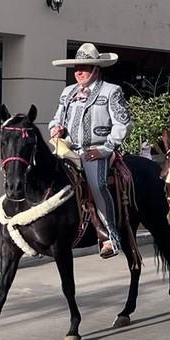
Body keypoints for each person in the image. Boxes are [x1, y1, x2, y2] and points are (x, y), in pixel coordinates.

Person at [49, 43, 132, 260]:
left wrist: (105, 149)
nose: (78, 71)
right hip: (67, 149)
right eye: (76, 67)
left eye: (84, 67)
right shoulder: (68, 92)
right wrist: (55, 128)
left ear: (96, 69)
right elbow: (56, 118)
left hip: (95, 151)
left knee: (97, 185)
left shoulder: (111, 91)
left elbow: (123, 124)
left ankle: (110, 238)